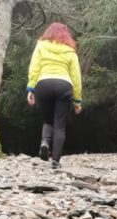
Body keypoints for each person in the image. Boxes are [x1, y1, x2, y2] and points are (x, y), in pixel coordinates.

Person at [26, 22, 82, 169]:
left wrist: (31, 88)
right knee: (60, 125)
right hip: (64, 85)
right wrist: (77, 101)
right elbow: (76, 77)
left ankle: (44, 142)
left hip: (43, 84)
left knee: (48, 120)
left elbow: (34, 67)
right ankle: (55, 160)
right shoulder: (70, 51)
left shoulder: (41, 46)